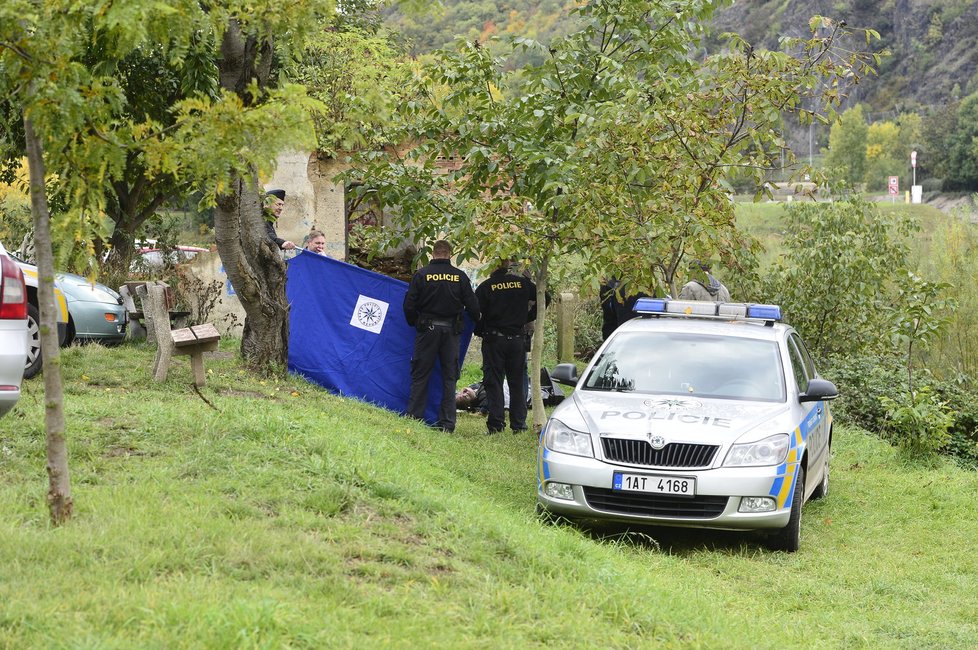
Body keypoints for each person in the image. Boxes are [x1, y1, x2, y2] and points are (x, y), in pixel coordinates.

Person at [403, 240, 480, 432]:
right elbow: (474, 307)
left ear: (433, 253)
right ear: (450, 254)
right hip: (451, 333)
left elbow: (409, 305)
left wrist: (416, 323)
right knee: (449, 377)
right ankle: (447, 423)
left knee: (420, 375)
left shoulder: (421, 275)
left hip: (427, 331)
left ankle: (414, 417)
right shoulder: (460, 277)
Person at [475, 260, 537, 434]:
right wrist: (527, 316)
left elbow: (475, 311)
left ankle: (496, 424)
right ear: (508, 266)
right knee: (517, 383)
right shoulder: (523, 283)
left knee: (493, 382)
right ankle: (519, 425)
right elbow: (544, 296)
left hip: (494, 340)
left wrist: (480, 331)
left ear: (492, 267)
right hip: (517, 339)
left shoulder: (486, 287)